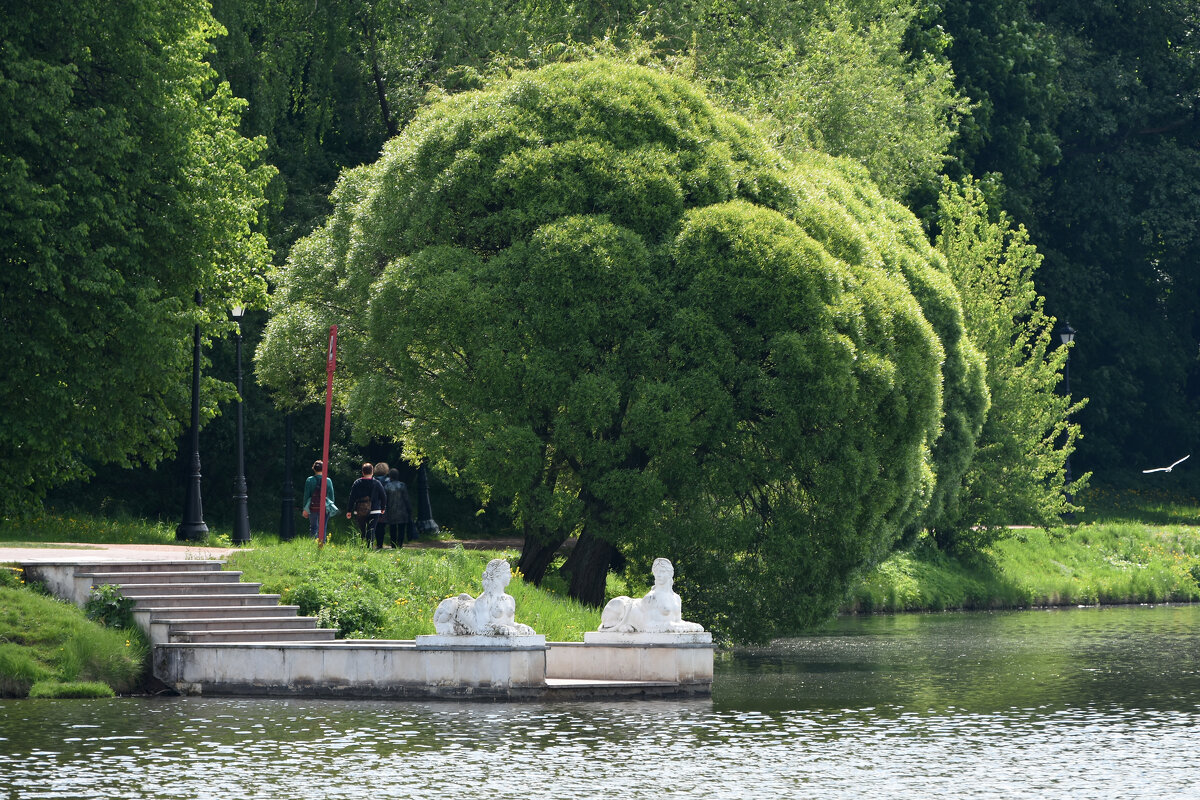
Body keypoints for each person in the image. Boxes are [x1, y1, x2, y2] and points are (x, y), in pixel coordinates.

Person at [346, 462, 386, 547]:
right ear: (372, 472)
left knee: (362, 530)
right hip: (375, 510)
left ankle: (363, 545)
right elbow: (383, 496)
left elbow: (352, 497)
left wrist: (349, 510)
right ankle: (369, 546)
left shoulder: (357, 483)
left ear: (363, 472)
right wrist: (383, 508)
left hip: (360, 510)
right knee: (371, 529)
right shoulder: (377, 483)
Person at [300, 460, 337, 540]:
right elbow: (331, 496)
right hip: (325, 506)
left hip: (312, 506)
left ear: (314, 469)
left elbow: (306, 495)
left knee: (313, 527)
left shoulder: (309, 480)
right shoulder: (328, 480)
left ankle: (313, 544)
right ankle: (321, 545)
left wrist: (305, 509)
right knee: (323, 527)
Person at [382, 468, 413, 548]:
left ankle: (393, 544)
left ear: (390, 476)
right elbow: (406, 498)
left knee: (392, 528)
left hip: (391, 510)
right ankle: (400, 543)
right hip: (402, 511)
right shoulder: (402, 485)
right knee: (401, 528)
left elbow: (385, 500)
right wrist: (409, 509)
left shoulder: (387, 486)